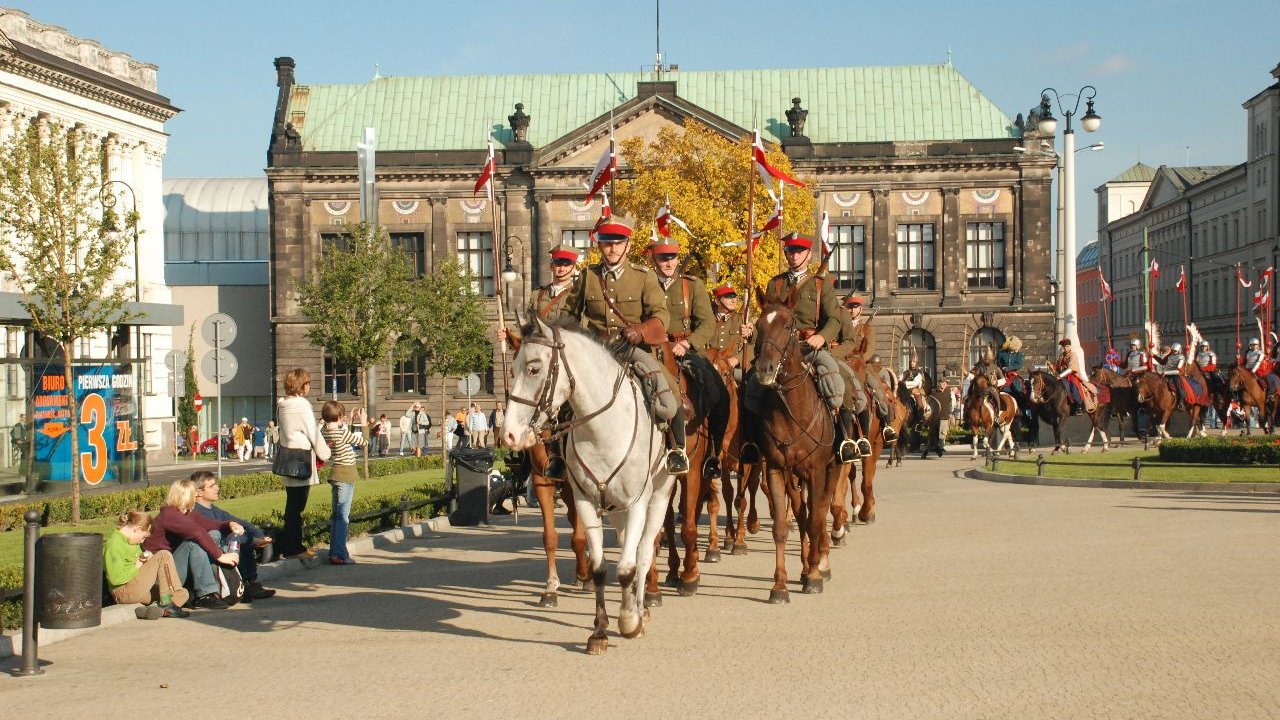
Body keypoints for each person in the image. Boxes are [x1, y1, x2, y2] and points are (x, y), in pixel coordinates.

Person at [560, 220, 687, 476]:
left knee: (668, 388)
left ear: (627, 246)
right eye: (608, 243)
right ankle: (558, 456)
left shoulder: (644, 276)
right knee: (563, 394)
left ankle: (676, 449)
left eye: (618, 243)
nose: (613, 249)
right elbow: (568, 316)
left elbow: (660, 315)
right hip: (596, 351)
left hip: (630, 347)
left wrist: (640, 331)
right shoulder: (587, 277)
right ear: (600, 246)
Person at [761, 232, 858, 463]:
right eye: (790, 251)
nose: (794, 256)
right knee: (751, 387)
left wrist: (822, 337)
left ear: (808, 254)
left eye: (799, 251)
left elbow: (835, 319)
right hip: (780, 349)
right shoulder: (775, 284)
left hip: (809, 346)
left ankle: (846, 440)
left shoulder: (819, 284)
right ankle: (752, 441)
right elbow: (768, 316)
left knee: (840, 379)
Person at [143, 478, 241, 610]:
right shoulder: (169, 515)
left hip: (175, 565)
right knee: (193, 544)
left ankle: (210, 586)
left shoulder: (185, 513)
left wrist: (229, 524)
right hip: (162, 577)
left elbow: (211, 525)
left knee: (214, 534)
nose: (195, 499)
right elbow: (198, 532)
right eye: (193, 496)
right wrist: (220, 556)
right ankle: (204, 594)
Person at [274, 367, 332, 562]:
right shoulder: (302, 405)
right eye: (307, 383)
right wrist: (325, 452)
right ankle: (294, 547)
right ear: (301, 385)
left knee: (291, 505)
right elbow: (312, 432)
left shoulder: (282, 405)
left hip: (288, 457)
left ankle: (288, 544)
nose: (309, 386)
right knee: (297, 507)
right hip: (301, 458)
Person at [192, 471, 276, 600]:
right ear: (199, 492)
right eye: (212, 486)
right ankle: (244, 585)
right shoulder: (195, 511)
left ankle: (247, 584)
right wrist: (252, 540)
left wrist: (259, 535)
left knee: (242, 537)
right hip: (209, 553)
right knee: (240, 539)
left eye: (216, 485)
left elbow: (239, 521)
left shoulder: (214, 509)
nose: (217, 488)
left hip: (221, 548)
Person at [103, 511, 190, 619]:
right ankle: (166, 605)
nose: (142, 541)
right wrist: (138, 564)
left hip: (138, 588)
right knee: (164, 555)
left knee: (183, 593)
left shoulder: (132, 542)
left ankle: (154, 609)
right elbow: (115, 579)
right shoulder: (114, 543)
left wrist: (147, 561)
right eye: (143, 537)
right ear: (137, 529)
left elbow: (141, 570)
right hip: (124, 591)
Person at [838, 293, 896, 443]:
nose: (851, 310)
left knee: (879, 389)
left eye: (854, 307)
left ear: (860, 309)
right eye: (849, 306)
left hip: (862, 364)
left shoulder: (866, 329)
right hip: (842, 363)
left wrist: (860, 360)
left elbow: (870, 349)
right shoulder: (839, 326)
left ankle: (887, 425)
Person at [320, 400, 366, 565]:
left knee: (336, 516)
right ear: (339, 416)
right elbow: (363, 442)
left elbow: (346, 436)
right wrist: (363, 423)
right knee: (343, 517)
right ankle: (339, 553)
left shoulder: (325, 432)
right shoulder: (341, 433)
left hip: (335, 474)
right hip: (346, 474)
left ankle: (334, 551)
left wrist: (350, 422)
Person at [705, 285, 753, 369]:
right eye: (728, 297)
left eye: (734, 297)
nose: (734, 300)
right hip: (711, 368)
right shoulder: (707, 320)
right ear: (717, 301)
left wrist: (737, 359)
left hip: (735, 369)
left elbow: (754, 344)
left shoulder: (743, 319)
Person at [1053, 338, 1095, 415]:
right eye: (1064, 346)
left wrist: (1060, 376)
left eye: (1067, 346)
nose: (1065, 348)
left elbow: (1071, 368)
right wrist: (1052, 366)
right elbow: (1058, 365)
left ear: (1069, 346)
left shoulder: (1073, 355)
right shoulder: (1062, 355)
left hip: (1072, 375)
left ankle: (1079, 406)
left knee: (1074, 387)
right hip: (1063, 376)